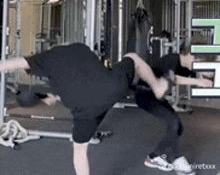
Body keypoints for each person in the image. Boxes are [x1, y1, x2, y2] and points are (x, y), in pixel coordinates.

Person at [0, 42, 170, 175]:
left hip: (86, 111)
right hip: (112, 88)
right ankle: (156, 86)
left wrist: (49, 98)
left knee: (80, 149)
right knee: (132, 57)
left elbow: (6, 64)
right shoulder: (79, 48)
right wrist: (51, 97)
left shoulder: (41, 59)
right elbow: (84, 79)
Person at [134, 36, 213, 175]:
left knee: (178, 125)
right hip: (144, 95)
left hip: (156, 97)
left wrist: (207, 74)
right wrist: (198, 82)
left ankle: (177, 159)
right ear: (189, 54)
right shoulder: (171, 59)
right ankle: (153, 157)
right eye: (197, 58)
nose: (197, 62)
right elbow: (173, 79)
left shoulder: (187, 68)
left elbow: (203, 74)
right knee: (173, 123)